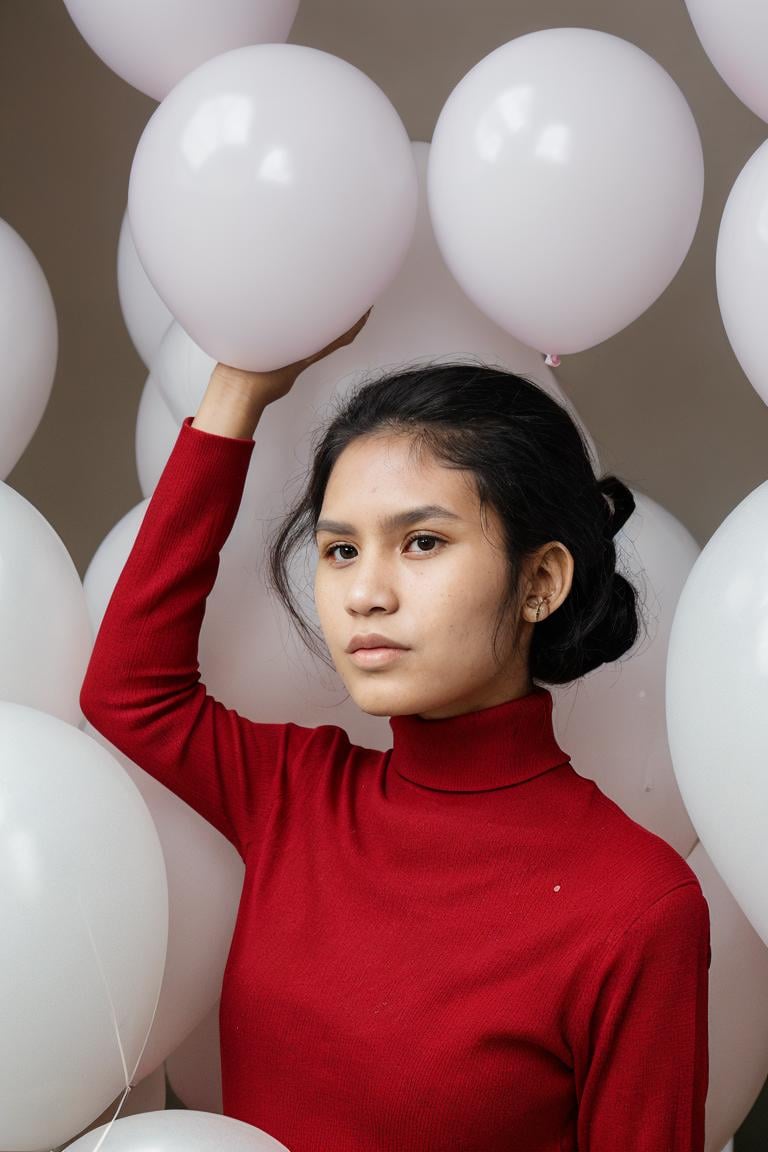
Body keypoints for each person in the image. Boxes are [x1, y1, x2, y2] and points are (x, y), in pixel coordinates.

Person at [80, 310, 711, 1151]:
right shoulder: (296, 796)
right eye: (340, 551)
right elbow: (128, 690)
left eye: (421, 541)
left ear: (542, 580)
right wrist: (237, 391)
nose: (365, 594)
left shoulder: (639, 908)